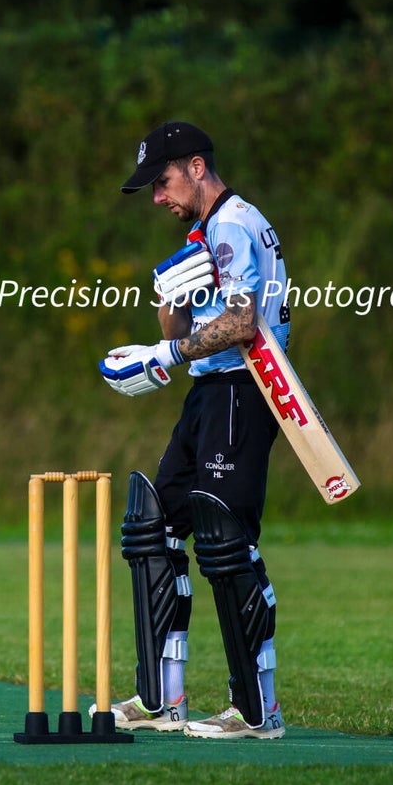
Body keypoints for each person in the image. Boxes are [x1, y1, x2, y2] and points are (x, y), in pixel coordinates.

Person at [95, 120, 290, 739]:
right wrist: (170, 299)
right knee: (155, 525)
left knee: (226, 540)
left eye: (163, 181)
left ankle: (257, 710)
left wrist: (165, 357)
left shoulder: (232, 222)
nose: (158, 197)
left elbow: (242, 321)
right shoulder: (207, 231)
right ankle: (162, 697)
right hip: (209, 391)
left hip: (243, 388)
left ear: (197, 167)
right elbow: (184, 333)